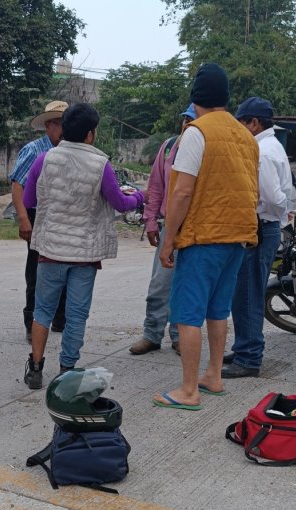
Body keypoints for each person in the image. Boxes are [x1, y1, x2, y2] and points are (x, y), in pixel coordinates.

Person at [152, 64, 259, 410]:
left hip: (203, 236)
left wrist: (169, 240)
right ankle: (213, 375)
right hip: (238, 237)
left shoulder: (196, 133)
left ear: (195, 98)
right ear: (226, 98)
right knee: (218, 309)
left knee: (186, 313)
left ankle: (188, 390)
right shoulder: (245, 135)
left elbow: (181, 192)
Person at [22, 103, 145, 389]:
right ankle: (67, 371)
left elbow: (29, 200)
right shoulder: (100, 164)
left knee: (42, 311)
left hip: (50, 251)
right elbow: (119, 203)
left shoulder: (44, 160)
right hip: (84, 257)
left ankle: (36, 368)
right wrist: (138, 197)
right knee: (76, 315)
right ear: (90, 134)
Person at [222, 97, 293, 378]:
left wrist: (271, 215)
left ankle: (249, 358)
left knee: (249, 296)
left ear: (254, 123)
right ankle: (244, 348)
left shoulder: (262, 151)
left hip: (261, 227)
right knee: (243, 294)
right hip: (265, 227)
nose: (239, 127)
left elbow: (274, 198)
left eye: (242, 122)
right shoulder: (269, 146)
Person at [129, 104, 196, 357]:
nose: (187, 126)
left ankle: (179, 335)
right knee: (160, 283)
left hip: (196, 228)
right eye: (185, 120)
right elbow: (155, 186)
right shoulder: (169, 147)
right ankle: (151, 334)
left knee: (186, 285)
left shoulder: (207, 150)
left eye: (193, 121)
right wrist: (150, 221)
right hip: (169, 225)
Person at [10, 101, 68, 343]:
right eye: (62, 124)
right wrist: (24, 219)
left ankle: (60, 318)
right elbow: (17, 185)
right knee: (36, 270)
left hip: (61, 217)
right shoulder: (34, 150)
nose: (66, 129)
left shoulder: (68, 150)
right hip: (37, 216)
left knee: (65, 267)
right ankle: (30, 321)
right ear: (49, 125)